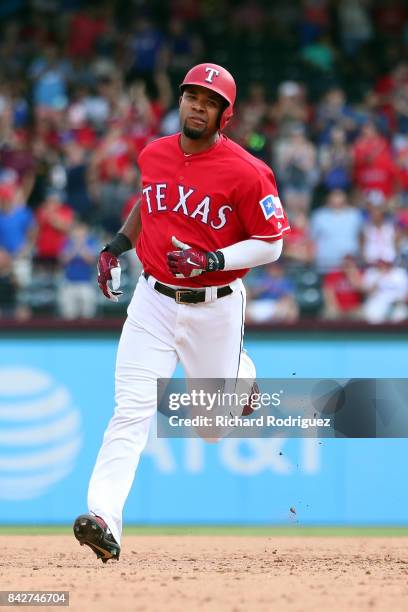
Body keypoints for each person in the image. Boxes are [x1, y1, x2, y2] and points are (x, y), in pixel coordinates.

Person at [73, 63, 290, 563]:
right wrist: (116, 246)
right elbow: (149, 203)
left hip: (214, 304)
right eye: (192, 95)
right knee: (129, 414)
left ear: (224, 115)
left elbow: (272, 244)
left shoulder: (248, 171)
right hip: (151, 302)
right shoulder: (155, 152)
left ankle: (243, 374)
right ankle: (104, 519)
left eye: (210, 101)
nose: (198, 105)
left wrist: (212, 259)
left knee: (211, 428)